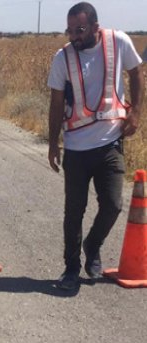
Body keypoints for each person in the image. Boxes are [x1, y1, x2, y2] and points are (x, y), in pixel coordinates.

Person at [47, 2, 144, 290]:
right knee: (74, 211)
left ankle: (93, 244)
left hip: (110, 143)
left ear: (94, 27)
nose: (74, 36)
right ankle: (71, 269)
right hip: (76, 148)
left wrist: (136, 112)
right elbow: (55, 104)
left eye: (80, 30)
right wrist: (54, 144)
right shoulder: (62, 58)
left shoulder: (119, 42)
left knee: (113, 204)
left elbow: (137, 74)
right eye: (70, 30)